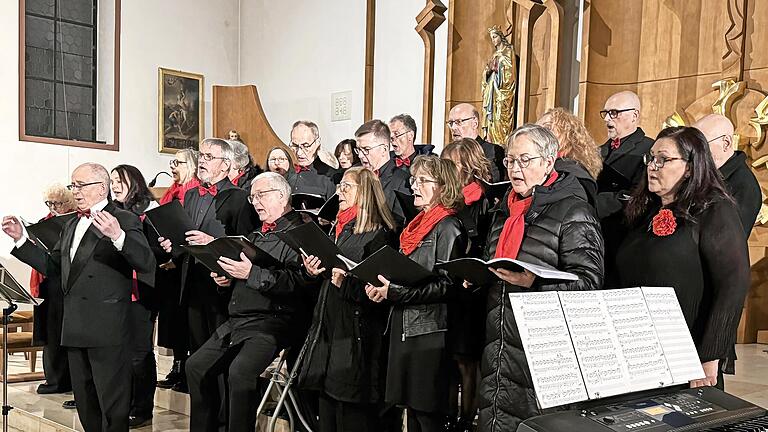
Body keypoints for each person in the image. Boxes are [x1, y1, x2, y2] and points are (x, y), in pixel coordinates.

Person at [2, 163, 156, 432]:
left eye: (79, 185)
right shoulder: (73, 223)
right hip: (75, 325)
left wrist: (118, 236)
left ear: (101, 187)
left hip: (108, 326)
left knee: (113, 404)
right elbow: (54, 267)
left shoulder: (124, 218)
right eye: (73, 185)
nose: (75, 191)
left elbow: (145, 262)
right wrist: (21, 240)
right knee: (86, 402)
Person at [477, 124, 604, 431]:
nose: (515, 169)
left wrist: (534, 282)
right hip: (500, 341)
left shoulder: (574, 212)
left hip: (545, 354)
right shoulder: (503, 213)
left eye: (525, 160)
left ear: (549, 162)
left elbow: (589, 282)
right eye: (510, 161)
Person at [614, 126, 750, 390]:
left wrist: (709, 355)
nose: (653, 166)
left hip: (686, 357)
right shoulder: (644, 211)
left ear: (690, 167)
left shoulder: (714, 210)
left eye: (663, 159)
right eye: (650, 158)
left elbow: (733, 284)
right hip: (638, 354)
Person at [185, 172, 317, 432]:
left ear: (281, 196)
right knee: (195, 366)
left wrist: (250, 274)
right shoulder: (255, 235)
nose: (254, 202)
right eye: (252, 196)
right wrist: (227, 280)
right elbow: (243, 277)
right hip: (240, 319)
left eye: (261, 195)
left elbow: (299, 283)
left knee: (240, 372)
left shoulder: (302, 232)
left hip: (275, 321)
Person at [366, 156, 467, 432]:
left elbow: (447, 285)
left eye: (423, 181)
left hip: (429, 332)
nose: (414, 186)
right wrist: (381, 288)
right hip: (403, 325)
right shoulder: (416, 226)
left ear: (443, 186)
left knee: (427, 414)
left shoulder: (448, 226)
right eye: (414, 180)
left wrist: (395, 292)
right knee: (410, 410)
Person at [299, 167, 396, 432]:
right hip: (330, 326)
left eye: (346, 187)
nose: (339, 192)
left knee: (350, 413)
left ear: (364, 193)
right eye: (339, 186)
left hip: (356, 335)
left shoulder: (379, 234)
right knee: (327, 408)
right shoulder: (340, 228)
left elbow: (378, 292)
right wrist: (313, 270)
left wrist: (346, 284)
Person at [159, 138, 258, 390]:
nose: (202, 161)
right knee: (198, 351)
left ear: (225, 165)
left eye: (208, 157)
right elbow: (186, 235)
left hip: (220, 286)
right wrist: (174, 247)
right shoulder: (191, 194)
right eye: (201, 156)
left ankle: (223, 415)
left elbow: (247, 245)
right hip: (190, 281)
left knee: (222, 354)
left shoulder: (239, 198)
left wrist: (212, 241)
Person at [440, 139, 492, 431]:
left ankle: (465, 419)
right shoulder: (450, 199)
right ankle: (448, 414)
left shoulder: (482, 199)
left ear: (469, 167)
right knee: (450, 358)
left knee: (466, 360)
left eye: (453, 164)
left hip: (472, 289)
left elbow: (483, 242)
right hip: (452, 288)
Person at [110, 164, 160, 428]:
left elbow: (156, 253)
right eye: (112, 180)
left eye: (120, 180)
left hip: (142, 290)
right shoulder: (111, 212)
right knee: (120, 352)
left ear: (135, 181)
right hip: (116, 289)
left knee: (139, 352)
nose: (115, 185)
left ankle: (142, 408)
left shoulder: (149, 211)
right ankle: (123, 402)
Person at [155, 148, 200, 392]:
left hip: (186, 263)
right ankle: (177, 365)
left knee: (185, 320)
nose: (173, 166)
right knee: (173, 320)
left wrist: (178, 254)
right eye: (172, 162)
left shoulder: (193, 193)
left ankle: (187, 369)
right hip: (170, 264)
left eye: (179, 162)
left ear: (192, 165)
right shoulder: (171, 193)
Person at [32, 183, 76, 396]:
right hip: (48, 284)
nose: (52, 207)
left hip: (65, 283)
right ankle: (53, 378)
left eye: (57, 203)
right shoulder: (45, 223)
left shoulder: (72, 221)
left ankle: (64, 380)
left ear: (68, 203)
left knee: (63, 332)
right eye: (49, 203)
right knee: (50, 333)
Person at [693, 114, 761, 237]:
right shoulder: (700, 170)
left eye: (700, 145)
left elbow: (728, 240)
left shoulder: (745, 187)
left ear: (726, 143)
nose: (693, 151)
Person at [596, 90, 654, 218]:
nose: (606, 119)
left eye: (614, 113)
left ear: (634, 115)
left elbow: (639, 194)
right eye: (605, 113)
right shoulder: (597, 151)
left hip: (621, 224)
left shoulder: (649, 148)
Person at [537, 107, 603, 206]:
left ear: (569, 136)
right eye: (536, 130)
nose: (538, 134)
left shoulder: (571, 173)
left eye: (547, 128)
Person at [355, 120, 412, 228]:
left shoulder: (402, 181)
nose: (361, 156)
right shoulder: (356, 176)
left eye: (366, 149)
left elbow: (399, 224)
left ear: (384, 149)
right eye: (358, 150)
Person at [448, 103, 506, 182]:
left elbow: (493, 185)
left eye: (459, 122)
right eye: (451, 123)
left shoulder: (492, 151)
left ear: (475, 123)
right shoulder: (449, 153)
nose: (453, 128)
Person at [481, 26, 517, 145]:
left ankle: (501, 143)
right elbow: (486, 73)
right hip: (491, 91)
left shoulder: (508, 51)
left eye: (495, 37)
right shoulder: (494, 54)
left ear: (501, 37)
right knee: (491, 119)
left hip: (501, 92)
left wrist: (498, 67)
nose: (493, 40)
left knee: (500, 117)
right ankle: (492, 141)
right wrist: (488, 71)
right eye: (492, 38)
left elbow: (510, 73)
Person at [286, 121, 339, 200]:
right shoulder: (285, 172)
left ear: (317, 142)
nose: (299, 153)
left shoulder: (330, 176)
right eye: (295, 145)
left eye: (306, 146)